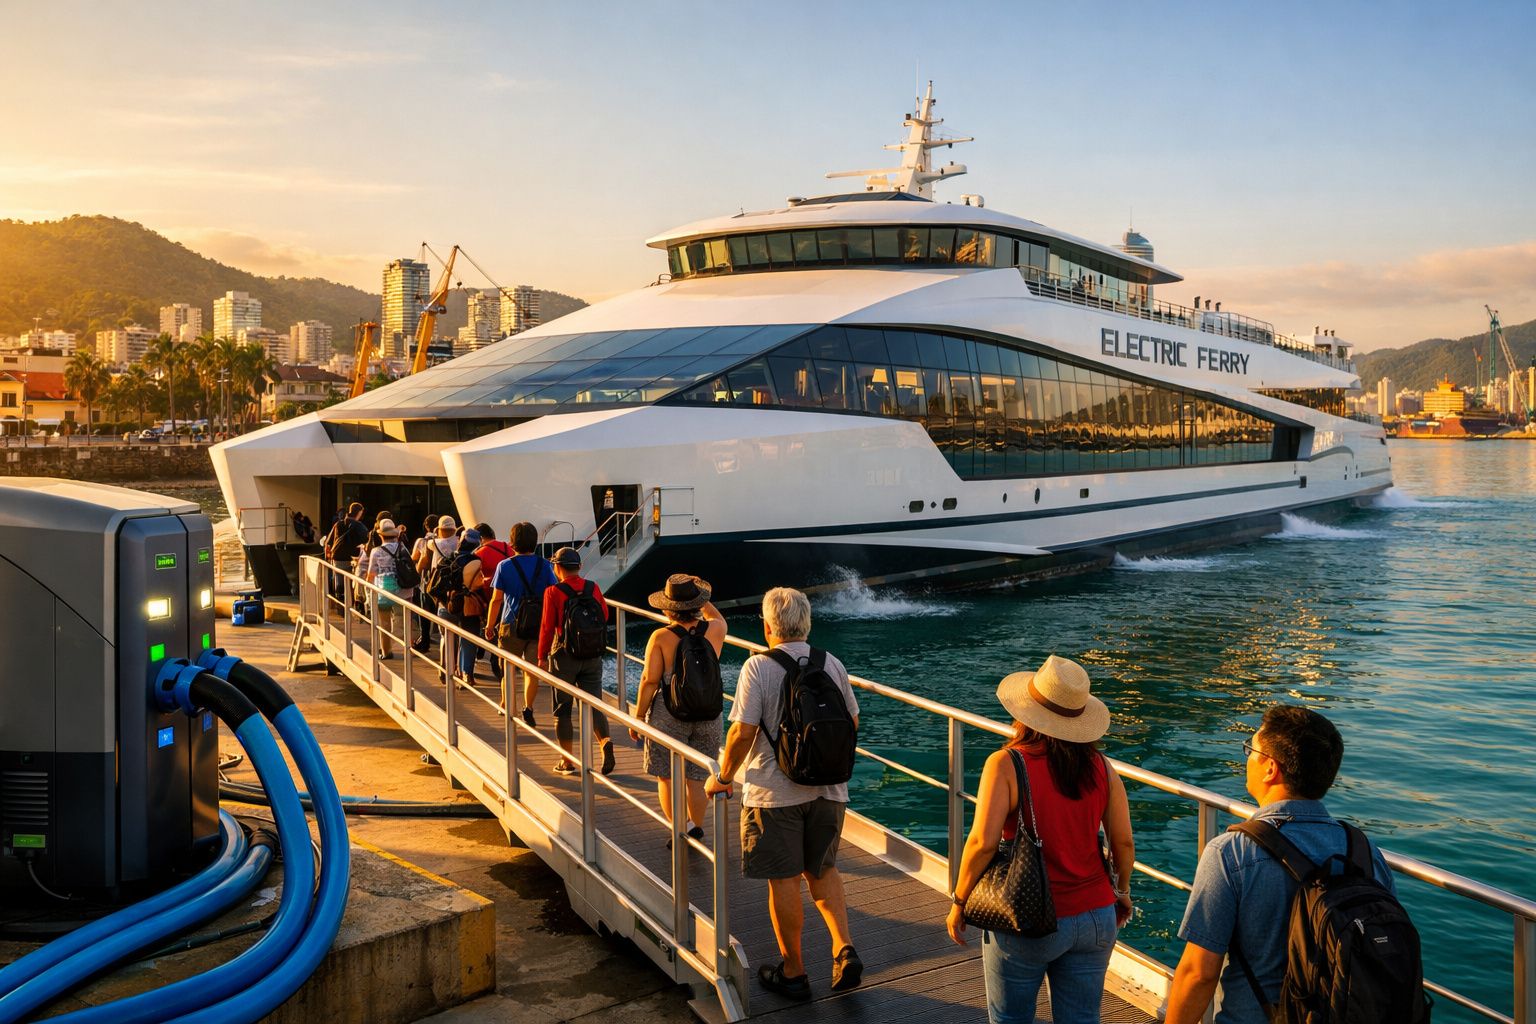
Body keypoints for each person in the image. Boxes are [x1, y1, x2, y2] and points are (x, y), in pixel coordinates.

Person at [1164, 706, 1399, 1024]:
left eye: (1250, 749)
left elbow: (1199, 973)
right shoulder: (1365, 851)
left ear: (1270, 768)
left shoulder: (1232, 852)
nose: (1246, 758)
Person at [944, 655, 1135, 1024]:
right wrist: (1121, 890)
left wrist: (960, 900)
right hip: (1096, 916)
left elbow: (982, 842)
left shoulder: (1006, 763)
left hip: (1028, 917)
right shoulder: (1102, 767)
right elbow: (1123, 843)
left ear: (1026, 712)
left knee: (1011, 1019)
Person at [704, 587, 863, 1001]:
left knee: (784, 880)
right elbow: (853, 723)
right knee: (824, 871)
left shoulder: (758, 667)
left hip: (774, 796)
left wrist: (723, 776)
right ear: (806, 623)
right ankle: (843, 948)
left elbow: (742, 731)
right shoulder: (832, 663)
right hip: (829, 790)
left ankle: (793, 971)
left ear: (768, 625)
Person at [628, 575, 726, 843]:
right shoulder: (716, 629)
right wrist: (703, 594)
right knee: (697, 775)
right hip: (709, 712)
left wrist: (638, 717)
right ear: (698, 604)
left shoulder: (660, 636)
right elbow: (716, 615)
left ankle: (679, 828)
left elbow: (649, 679)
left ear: (667, 608)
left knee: (667, 776)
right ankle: (695, 825)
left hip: (669, 713)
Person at [537, 547, 615, 777]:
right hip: (592, 656)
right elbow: (605, 615)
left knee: (562, 710)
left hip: (564, 657)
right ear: (579, 567)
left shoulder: (553, 591)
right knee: (594, 703)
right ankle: (605, 743)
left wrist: (541, 656)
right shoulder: (593, 587)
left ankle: (567, 761)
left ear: (557, 568)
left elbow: (547, 627)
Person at [485, 522, 556, 723]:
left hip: (510, 623)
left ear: (512, 542)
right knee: (531, 670)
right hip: (538, 625)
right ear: (535, 542)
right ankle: (528, 707)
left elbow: (496, 599)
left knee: (507, 669)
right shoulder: (545, 565)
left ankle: (508, 705)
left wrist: (490, 626)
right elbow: (553, 593)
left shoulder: (504, 566)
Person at [363, 519, 412, 660]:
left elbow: (371, 573)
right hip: (404, 591)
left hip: (384, 590)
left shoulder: (376, 551)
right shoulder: (403, 548)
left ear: (381, 535)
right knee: (404, 621)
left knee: (384, 622)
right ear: (395, 535)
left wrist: (368, 590)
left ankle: (386, 651)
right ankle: (407, 649)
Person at [447, 528, 490, 685]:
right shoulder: (475, 560)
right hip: (467, 604)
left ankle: (446, 669)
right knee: (468, 639)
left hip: (449, 602)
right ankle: (466, 674)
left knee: (448, 637)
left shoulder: (448, 558)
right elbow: (477, 583)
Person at [473, 524, 512, 685]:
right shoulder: (507, 548)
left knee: (491, 627)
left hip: (490, 597)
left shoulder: (479, 553)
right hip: (509, 598)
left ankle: (492, 658)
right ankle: (501, 660)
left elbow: (475, 579)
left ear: (480, 538)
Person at [323, 502, 367, 601]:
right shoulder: (360, 526)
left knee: (340, 584)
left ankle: (340, 603)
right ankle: (352, 604)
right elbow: (366, 542)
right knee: (353, 585)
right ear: (359, 513)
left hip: (338, 558)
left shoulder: (338, 524)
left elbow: (329, 542)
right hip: (354, 559)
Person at [408, 514, 440, 652]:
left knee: (424, 612)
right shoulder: (442, 540)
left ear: (425, 526)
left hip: (425, 581)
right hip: (439, 580)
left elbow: (414, 558)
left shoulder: (422, 541)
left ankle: (425, 639)